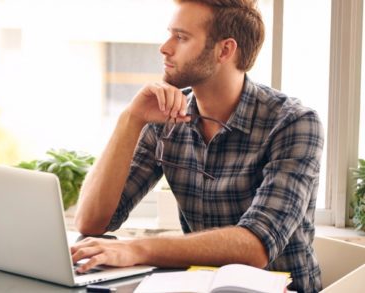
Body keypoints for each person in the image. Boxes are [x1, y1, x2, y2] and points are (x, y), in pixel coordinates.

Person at [71, 0, 324, 292]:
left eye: (181, 37)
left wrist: (137, 249)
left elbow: (257, 244)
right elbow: (92, 222)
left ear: (225, 50)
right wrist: (131, 119)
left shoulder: (294, 123)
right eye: (170, 34)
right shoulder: (165, 117)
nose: (164, 47)